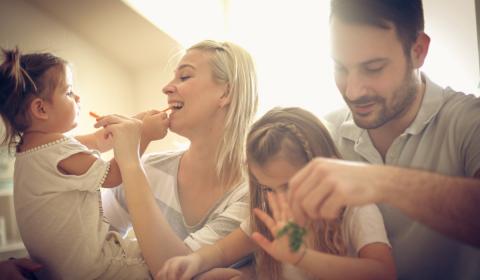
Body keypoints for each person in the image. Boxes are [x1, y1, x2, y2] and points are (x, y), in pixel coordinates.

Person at [287, 1, 480, 279]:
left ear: (418, 51)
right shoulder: (324, 133)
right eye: (340, 68)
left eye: (373, 68)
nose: (352, 91)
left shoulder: (469, 121)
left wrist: (379, 181)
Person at [155, 107, 396, 280]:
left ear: (327, 167)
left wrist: (302, 257)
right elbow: (222, 251)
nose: (282, 199)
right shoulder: (271, 216)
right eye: (268, 188)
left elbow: (382, 273)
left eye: (289, 186)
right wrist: (193, 261)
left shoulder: (355, 210)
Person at [0, 48, 168, 279]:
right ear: (40, 108)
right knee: (164, 263)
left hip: (62, 271)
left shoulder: (33, 149)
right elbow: (113, 176)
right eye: (69, 92)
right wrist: (143, 135)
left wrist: (132, 123)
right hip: (96, 270)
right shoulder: (59, 150)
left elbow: (99, 141)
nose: (77, 98)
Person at [100, 40, 259, 276]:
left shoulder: (255, 194)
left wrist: (130, 161)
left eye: (184, 77)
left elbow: (175, 270)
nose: (166, 88)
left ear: (226, 92)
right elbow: (91, 239)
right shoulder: (151, 169)